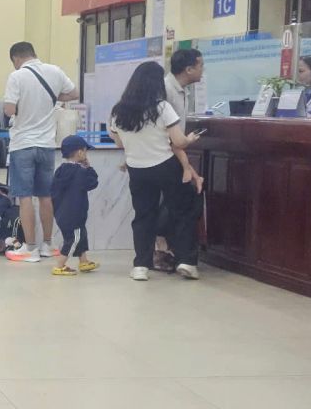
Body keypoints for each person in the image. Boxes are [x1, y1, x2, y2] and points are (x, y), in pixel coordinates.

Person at [108, 60, 203, 281]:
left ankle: (141, 265)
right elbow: (178, 141)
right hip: (165, 166)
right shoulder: (162, 107)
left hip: (137, 169)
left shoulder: (119, 111)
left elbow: (120, 143)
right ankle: (186, 261)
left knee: (143, 216)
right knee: (182, 211)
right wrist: (191, 138)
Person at [2, 42, 78, 262]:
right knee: (45, 195)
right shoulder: (54, 71)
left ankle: (30, 248)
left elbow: (9, 109)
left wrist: (22, 106)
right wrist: (51, 99)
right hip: (46, 144)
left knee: (25, 196)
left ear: (16, 58)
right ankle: (47, 244)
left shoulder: (17, 76)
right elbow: (74, 93)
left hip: (23, 144)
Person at [156, 48, 207, 272]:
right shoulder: (166, 90)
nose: (202, 70)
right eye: (200, 65)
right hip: (166, 156)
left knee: (177, 203)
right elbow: (169, 137)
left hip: (174, 154)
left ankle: (172, 253)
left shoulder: (180, 90)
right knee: (184, 202)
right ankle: (177, 255)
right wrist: (187, 165)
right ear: (188, 69)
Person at [49, 135, 100, 277]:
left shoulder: (60, 170)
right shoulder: (80, 172)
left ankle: (83, 261)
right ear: (80, 153)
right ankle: (59, 265)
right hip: (75, 215)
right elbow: (93, 183)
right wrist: (88, 167)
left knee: (80, 236)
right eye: (85, 151)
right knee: (74, 239)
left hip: (61, 213)